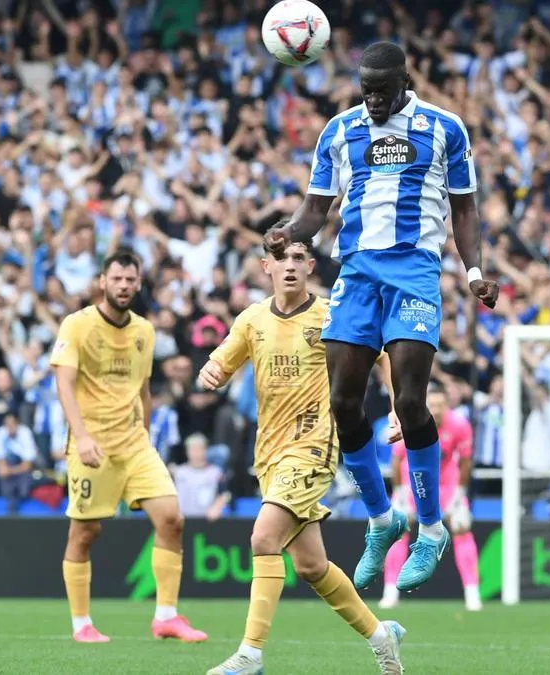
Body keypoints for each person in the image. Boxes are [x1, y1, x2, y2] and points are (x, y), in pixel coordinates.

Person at [264, 41, 499, 592]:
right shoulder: (339, 130)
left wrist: (473, 273)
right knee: (345, 401)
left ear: (403, 81)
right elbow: (315, 209)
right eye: (365, 90)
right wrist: (286, 233)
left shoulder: (444, 128)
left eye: (381, 90)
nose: (371, 100)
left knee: (410, 400)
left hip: (415, 269)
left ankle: (431, 528)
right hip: (358, 271)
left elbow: (464, 208)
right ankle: (380, 518)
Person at [199, 239, 406, 675]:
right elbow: (221, 363)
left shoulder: (332, 313)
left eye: (298, 258)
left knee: (263, 539)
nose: (290, 266)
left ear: (311, 265)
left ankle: (251, 654)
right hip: (270, 455)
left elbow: (382, 356)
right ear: (265, 266)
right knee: (311, 566)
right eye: (281, 259)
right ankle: (381, 637)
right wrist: (211, 372)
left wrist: (396, 406)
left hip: (313, 447)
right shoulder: (252, 319)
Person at [50, 251, 207, 644]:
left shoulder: (145, 331)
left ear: (138, 284)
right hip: (92, 445)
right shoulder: (78, 325)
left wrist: (147, 437)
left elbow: (143, 392)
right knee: (85, 533)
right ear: (103, 281)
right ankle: (81, 623)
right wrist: (82, 436)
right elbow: (64, 383)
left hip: (135, 444)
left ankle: (166, 617)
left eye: (129, 280)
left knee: (172, 518)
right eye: (116, 279)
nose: (123, 286)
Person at [382, 385, 480, 612]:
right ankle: (390, 591)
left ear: (447, 406)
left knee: (462, 527)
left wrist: (459, 495)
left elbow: (465, 461)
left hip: (447, 484)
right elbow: (396, 461)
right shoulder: (410, 421)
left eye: (440, 405)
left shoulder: (459, 425)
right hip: (412, 483)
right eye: (431, 405)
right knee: (398, 531)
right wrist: (400, 493)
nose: (435, 410)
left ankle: (472, 592)